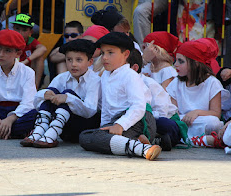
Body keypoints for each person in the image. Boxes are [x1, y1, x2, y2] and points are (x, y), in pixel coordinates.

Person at [79, 32, 161, 161]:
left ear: (126, 54)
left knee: (94, 137)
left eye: (110, 53)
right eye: (102, 53)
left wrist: (120, 125)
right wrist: (105, 126)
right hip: (117, 122)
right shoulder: (106, 75)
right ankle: (138, 141)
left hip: (138, 120)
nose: (104, 58)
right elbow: (106, 106)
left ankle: (141, 148)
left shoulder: (130, 75)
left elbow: (139, 106)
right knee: (85, 137)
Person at [20, 39, 101, 148]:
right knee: (52, 92)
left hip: (86, 127)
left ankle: (51, 135)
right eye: (69, 60)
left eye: (79, 60)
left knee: (67, 94)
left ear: (90, 62)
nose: (73, 64)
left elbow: (90, 111)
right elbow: (36, 102)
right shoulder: (61, 78)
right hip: (65, 129)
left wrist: (68, 98)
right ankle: (39, 131)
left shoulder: (95, 80)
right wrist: (46, 94)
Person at [166, 38, 230, 147]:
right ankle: (197, 139)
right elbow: (173, 111)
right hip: (182, 120)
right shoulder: (176, 82)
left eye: (181, 61)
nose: (175, 64)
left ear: (195, 63)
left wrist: (196, 112)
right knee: (170, 122)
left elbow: (216, 113)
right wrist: (181, 119)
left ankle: (187, 139)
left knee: (213, 122)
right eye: (176, 60)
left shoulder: (212, 82)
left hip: (202, 119)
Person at [128, 49, 189, 151]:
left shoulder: (149, 83)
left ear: (134, 68)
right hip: (134, 122)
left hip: (157, 120)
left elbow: (162, 111)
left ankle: (151, 138)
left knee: (164, 124)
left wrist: (142, 116)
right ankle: (153, 141)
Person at [11, 13, 47, 89]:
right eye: (17, 28)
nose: (20, 32)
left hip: (28, 74)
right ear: (13, 28)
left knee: (39, 57)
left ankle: (35, 88)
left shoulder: (31, 41)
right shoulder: (9, 40)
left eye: (24, 30)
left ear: (31, 32)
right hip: (12, 74)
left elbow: (43, 48)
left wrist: (26, 61)